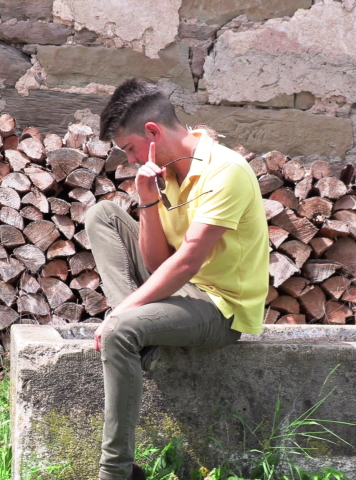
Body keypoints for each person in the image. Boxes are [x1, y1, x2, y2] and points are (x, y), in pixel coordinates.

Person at [84, 79, 269, 480]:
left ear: (152, 132)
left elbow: (186, 262)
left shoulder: (226, 170)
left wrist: (121, 313)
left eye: (130, 148)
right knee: (103, 215)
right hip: (179, 292)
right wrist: (148, 200)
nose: (131, 159)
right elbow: (157, 263)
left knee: (118, 331)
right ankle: (141, 338)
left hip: (219, 308)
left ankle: (115, 473)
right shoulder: (164, 172)